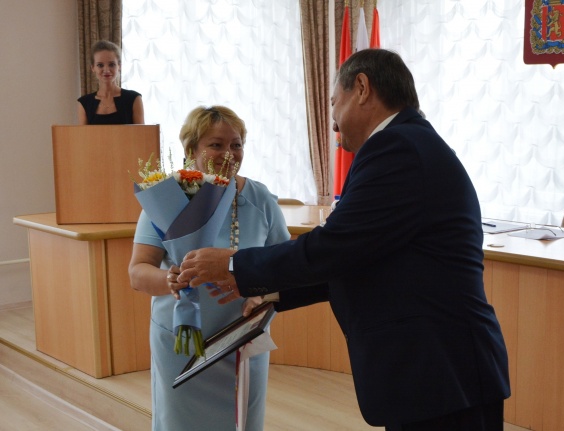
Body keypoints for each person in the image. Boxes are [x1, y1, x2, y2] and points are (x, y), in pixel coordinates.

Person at [175, 49, 511, 431]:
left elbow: (334, 247)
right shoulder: (408, 142)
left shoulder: (397, 148)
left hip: (440, 369)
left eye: (334, 102)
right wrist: (270, 293)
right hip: (438, 372)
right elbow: (359, 256)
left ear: (362, 88)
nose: (333, 122)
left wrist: (235, 264)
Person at [128, 105, 290, 431]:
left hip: (243, 340)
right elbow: (138, 271)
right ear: (191, 150)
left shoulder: (260, 199)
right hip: (181, 340)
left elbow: (286, 267)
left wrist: (262, 295)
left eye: (236, 144)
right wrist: (170, 280)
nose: (228, 153)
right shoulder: (167, 197)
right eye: (216, 144)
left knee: (242, 421)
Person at [77, 40, 144, 125]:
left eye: (111, 64)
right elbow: (83, 134)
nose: (106, 70)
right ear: (93, 68)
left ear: (119, 66)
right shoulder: (84, 103)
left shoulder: (134, 99)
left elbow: (141, 133)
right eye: (100, 65)